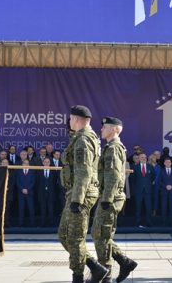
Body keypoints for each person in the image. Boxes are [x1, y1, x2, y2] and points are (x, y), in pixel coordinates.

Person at [58, 105, 108, 283]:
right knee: (64, 235)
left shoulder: (83, 140)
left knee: (74, 237)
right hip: (77, 192)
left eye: (71, 118)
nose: (69, 121)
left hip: (80, 194)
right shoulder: (82, 137)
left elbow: (83, 171)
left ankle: (78, 277)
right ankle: (95, 267)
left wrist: (77, 200)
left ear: (77, 119)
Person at [91, 116, 138, 283]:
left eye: (105, 127)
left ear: (114, 129)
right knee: (101, 234)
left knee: (100, 235)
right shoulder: (111, 147)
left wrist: (106, 198)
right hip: (108, 196)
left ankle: (106, 274)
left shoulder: (113, 148)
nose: (101, 129)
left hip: (109, 198)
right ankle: (125, 263)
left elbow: (113, 174)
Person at [131, 153, 155, 227]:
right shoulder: (135, 167)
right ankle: (137, 223)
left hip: (148, 190)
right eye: (142, 157)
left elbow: (153, 176)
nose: (143, 158)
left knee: (148, 207)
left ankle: (149, 222)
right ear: (139, 158)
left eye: (145, 157)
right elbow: (132, 179)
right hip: (138, 191)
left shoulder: (150, 167)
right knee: (138, 207)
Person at [156, 158, 172, 226]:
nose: (168, 163)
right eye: (166, 162)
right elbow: (159, 181)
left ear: (171, 163)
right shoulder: (161, 171)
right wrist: (166, 186)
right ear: (164, 163)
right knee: (163, 207)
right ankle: (163, 222)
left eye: (169, 162)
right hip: (164, 191)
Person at [37, 158, 57, 227]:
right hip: (41, 193)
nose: (46, 163)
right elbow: (37, 182)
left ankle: (51, 223)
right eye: (45, 162)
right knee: (43, 209)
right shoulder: (39, 171)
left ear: (50, 163)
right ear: (43, 163)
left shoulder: (53, 171)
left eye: (48, 162)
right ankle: (42, 223)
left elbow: (55, 182)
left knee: (50, 209)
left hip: (51, 193)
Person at [16, 159, 36, 227]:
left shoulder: (32, 171)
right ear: (22, 164)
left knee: (31, 208)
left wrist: (27, 189)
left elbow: (33, 182)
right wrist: (22, 189)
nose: (26, 164)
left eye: (27, 163)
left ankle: (32, 223)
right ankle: (21, 223)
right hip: (21, 193)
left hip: (29, 192)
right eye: (24, 163)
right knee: (21, 208)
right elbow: (17, 182)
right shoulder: (18, 171)